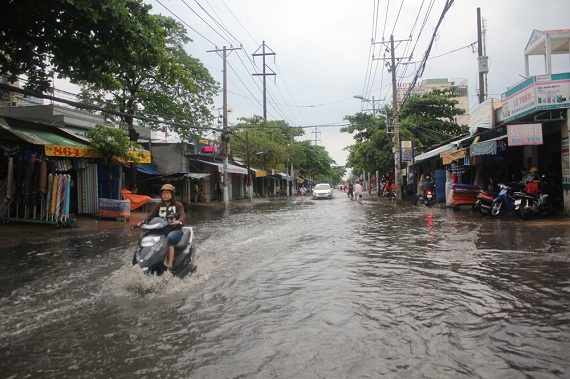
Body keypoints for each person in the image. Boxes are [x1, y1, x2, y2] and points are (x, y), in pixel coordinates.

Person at [137, 184, 185, 271]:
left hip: (175, 230)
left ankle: (169, 264)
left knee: (169, 238)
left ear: (172, 194)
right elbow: (150, 216)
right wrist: (143, 222)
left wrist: (179, 221)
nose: (164, 195)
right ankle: (141, 261)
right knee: (145, 237)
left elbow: (182, 215)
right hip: (161, 231)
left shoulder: (178, 205)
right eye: (163, 193)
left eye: (167, 193)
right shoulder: (159, 205)